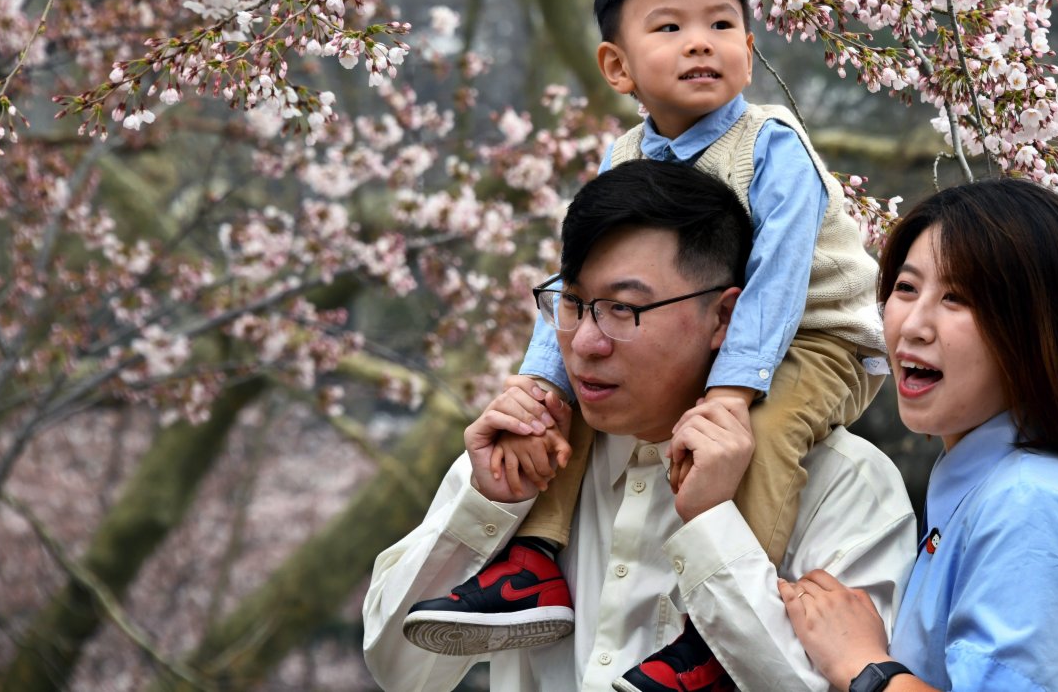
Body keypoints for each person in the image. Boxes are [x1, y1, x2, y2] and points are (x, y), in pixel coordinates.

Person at [401, 0, 889, 690]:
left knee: (757, 434)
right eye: (669, 27)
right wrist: (541, 388)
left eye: (722, 26)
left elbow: (778, 285)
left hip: (816, 338)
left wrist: (730, 393)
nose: (700, 41)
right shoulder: (624, 159)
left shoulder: (771, 149)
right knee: (564, 411)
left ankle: (708, 635)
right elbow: (576, 280)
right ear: (617, 68)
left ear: (750, 52)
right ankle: (533, 562)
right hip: (731, 335)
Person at [363, 161, 916, 692]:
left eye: (624, 310)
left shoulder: (846, 486)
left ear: (726, 316)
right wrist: (487, 504)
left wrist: (713, 527)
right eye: (574, 303)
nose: (584, 343)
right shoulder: (529, 449)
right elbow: (399, 670)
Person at [777, 178, 1058, 692]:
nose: (912, 326)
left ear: (1037, 328)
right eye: (905, 289)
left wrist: (863, 665)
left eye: (957, 298)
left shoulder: (1029, 503)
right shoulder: (984, 493)